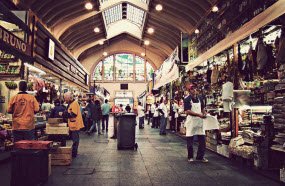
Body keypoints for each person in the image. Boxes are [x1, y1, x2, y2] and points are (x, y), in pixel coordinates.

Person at [184, 82, 208, 163]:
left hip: (200, 121)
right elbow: (187, 111)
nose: (194, 90)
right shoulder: (187, 99)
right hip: (191, 121)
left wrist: (204, 113)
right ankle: (190, 157)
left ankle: (200, 157)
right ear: (189, 90)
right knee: (190, 139)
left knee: (202, 140)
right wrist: (198, 114)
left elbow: (202, 108)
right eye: (192, 89)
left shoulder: (200, 98)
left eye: (195, 89)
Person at [63, 92, 84, 158]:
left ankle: (74, 153)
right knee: (74, 139)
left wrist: (65, 114)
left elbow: (73, 114)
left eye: (65, 98)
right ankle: (73, 152)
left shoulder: (74, 103)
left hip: (75, 124)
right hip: (73, 124)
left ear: (69, 97)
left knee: (75, 140)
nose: (65, 99)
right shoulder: (71, 103)